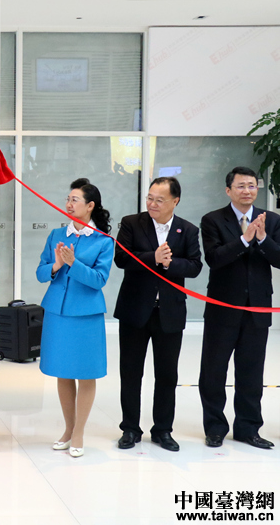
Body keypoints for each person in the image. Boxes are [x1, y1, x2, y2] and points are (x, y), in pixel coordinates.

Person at [113, 177, 202, 452]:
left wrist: (169, 263)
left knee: (167, 375)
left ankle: (163, 430)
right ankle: (130, 428)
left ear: (175, 201)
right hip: (135, 310)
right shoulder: (131, 223)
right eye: (150, 198)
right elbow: (122, 259)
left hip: (169, 312)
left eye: (159, 200)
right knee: (130, 372)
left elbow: (195, 266)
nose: (152, 203)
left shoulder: (188, 229)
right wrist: (153, 257)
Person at [199, 166, 280, 449]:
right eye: (241, 186)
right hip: (223, 308)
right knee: (214, 371)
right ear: (228, 190)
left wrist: (263, 239)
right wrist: (245, 239)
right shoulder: (212, 220)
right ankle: (215, 428)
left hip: (257, 309)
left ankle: (248, 429)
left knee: (251, 373)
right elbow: (214, 259)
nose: (247, 191)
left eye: (252, 186)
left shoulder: (272, 220)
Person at [35, 178, 114, 458]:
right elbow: (41, 273)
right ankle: (68, 429)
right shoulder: (57, 235)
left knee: (86, 373)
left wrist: (73, 263)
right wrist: (56, 265)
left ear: (90, 206)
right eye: (68, 199)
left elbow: (99, 279)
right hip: (58, 313)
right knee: (63, 371)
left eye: (75, 200)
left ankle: (79, 432)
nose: (69, 204)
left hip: (86, 315)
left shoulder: (103, 241)